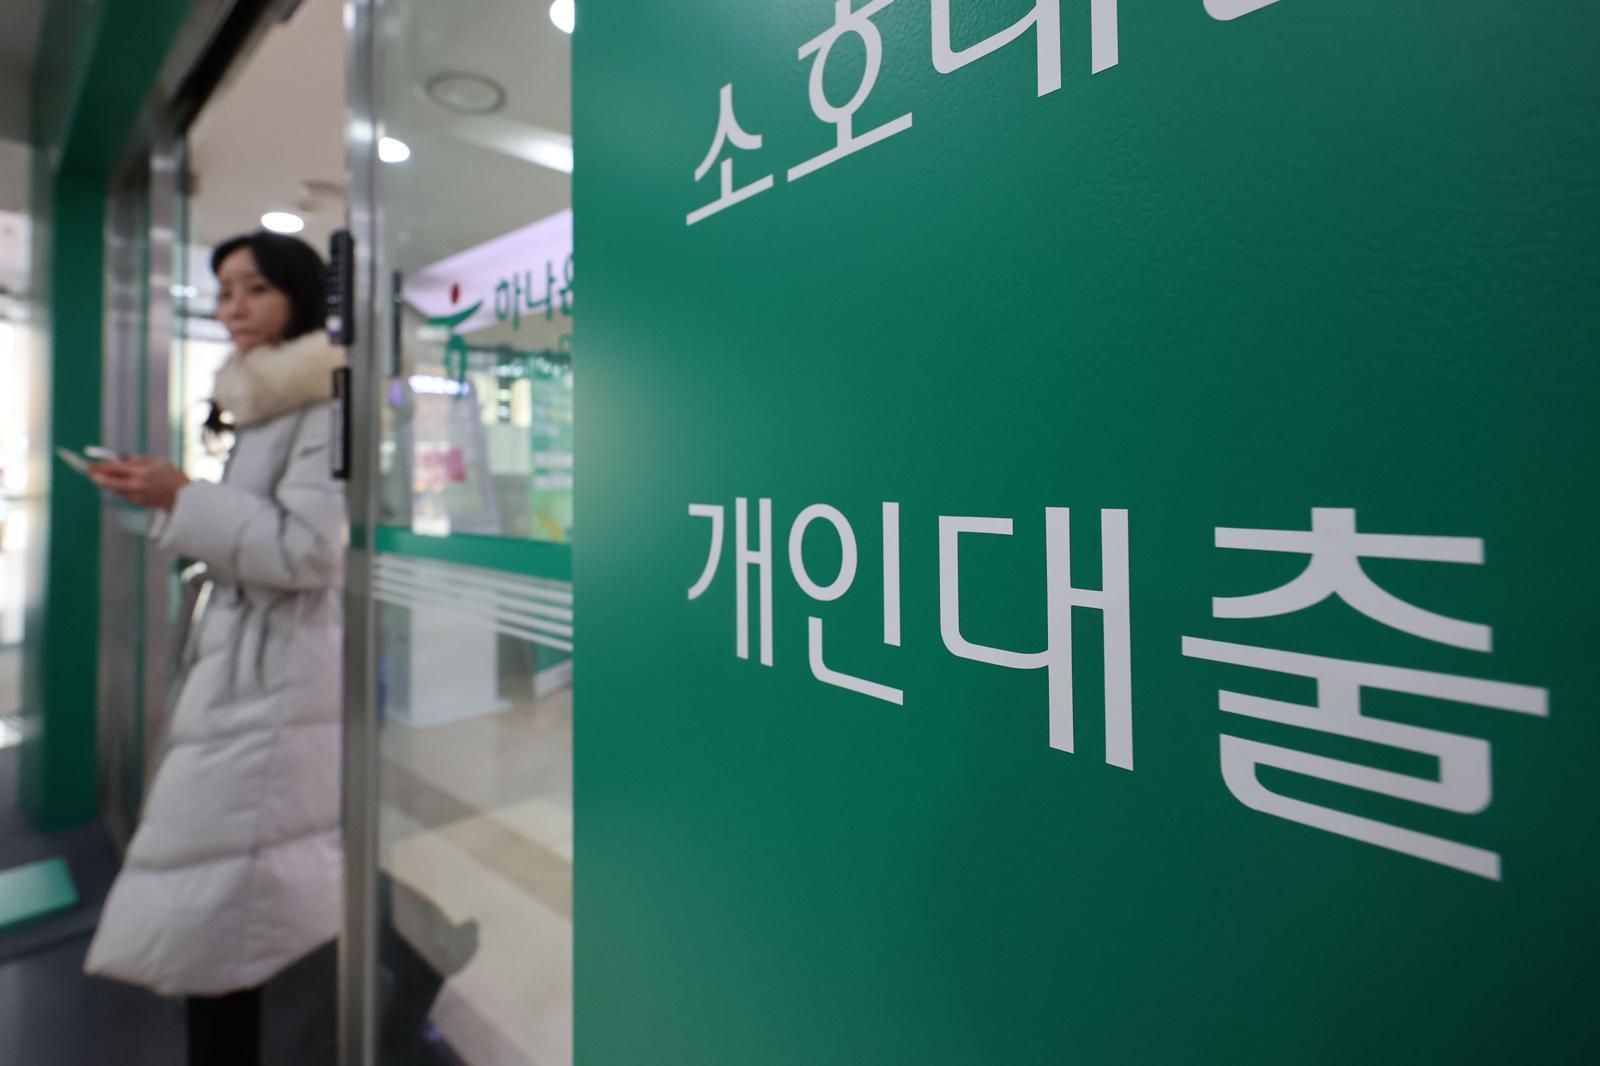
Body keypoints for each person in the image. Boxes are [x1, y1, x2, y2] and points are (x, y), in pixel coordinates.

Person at [84, 231, 347, 1066]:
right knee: (220, 899)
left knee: (224, 905)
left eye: (255, 288)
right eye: (225, 290)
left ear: (299, 296)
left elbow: (310, 551)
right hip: (242, 670)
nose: (234, 306)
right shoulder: (264, 402)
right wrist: (174, 497)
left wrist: (184, 497)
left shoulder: (324, 400)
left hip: (273, 681)